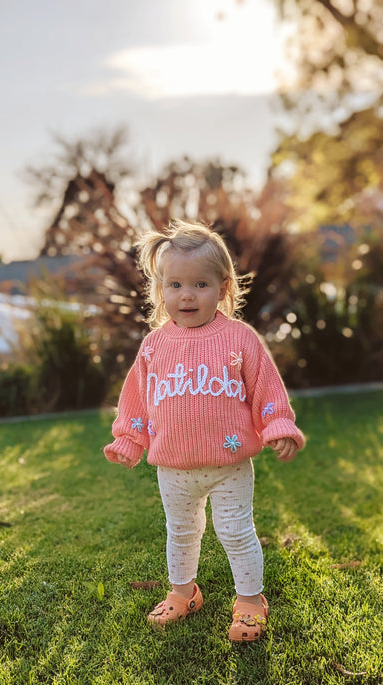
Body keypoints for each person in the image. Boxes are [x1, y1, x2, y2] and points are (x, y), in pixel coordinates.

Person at [103, 220, 305, 642]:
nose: (187, 295)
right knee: (181, 530)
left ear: (223, 287)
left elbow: (266, 389)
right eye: (175, 285)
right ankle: (183, 592)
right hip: (173, 467)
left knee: (235, 530)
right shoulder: (155, 345)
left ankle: (250, 600)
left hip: (230, 464)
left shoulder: (239, 339)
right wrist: (128, 438)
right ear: (161, 290)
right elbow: (137, 399)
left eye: (199, 284)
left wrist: (278, 425)